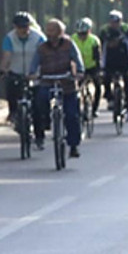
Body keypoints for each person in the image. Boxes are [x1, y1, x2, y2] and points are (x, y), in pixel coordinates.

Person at [29, 19, 84, 158]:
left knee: (72, 115)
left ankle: (73, 145)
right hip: (47, 80)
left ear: (60, 32)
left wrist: (79, 72)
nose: (50, 34)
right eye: (48, 31)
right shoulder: (42, 47)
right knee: (40, 99)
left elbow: (77, 59)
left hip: (67, 82)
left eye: (53, 31)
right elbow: (35, 63)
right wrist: (32, 74)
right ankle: (46, 121)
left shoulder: (69, 44)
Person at [0, 12, 44, 126]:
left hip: (35, 74)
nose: (23, 29)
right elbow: (6, 57)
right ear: (15, 27)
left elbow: (45, 56)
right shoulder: (9, 38)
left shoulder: (39, 37)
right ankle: (13, 114)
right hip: (16, 72)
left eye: (26, 26)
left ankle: (39, 134)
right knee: (11, 92)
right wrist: (2, 70)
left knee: (37, 105)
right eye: (20, 27)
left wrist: (42, 72)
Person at [101, 10, 128, 121]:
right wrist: (102, 66)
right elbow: (103, 49)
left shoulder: (126, 30)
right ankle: (110, 99)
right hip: (110, 60)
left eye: (116, 22)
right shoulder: (104, 31)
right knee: (106, 78)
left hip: (124, 60)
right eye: (112, 22)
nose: (114, 24)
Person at [72, 17, 102, 116]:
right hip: (78, 67)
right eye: (80, 34)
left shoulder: (94, 40)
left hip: (91, 66)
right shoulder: (72, 39)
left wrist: (98, 71)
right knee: (74, 88)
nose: (82, 36)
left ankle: (95, 109)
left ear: (89, 31)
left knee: (98, 86)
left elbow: (98, 57)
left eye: (84, 34)